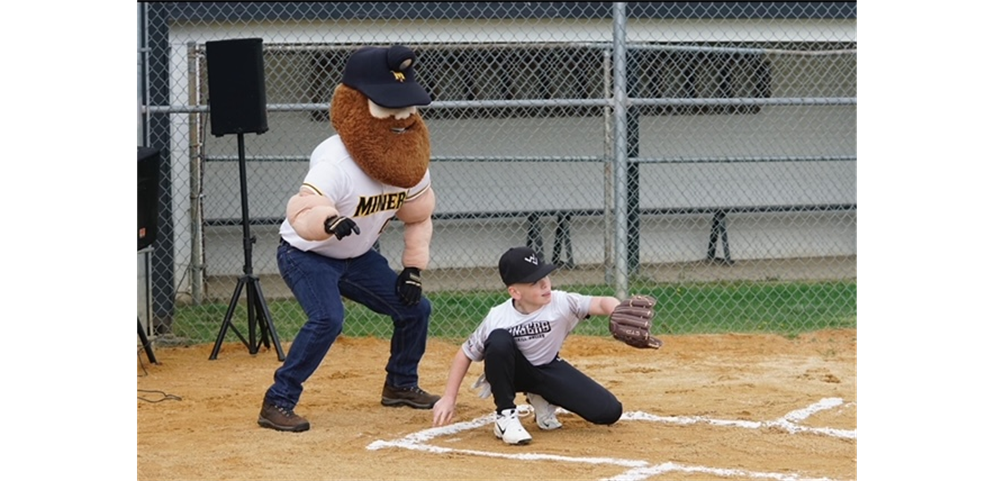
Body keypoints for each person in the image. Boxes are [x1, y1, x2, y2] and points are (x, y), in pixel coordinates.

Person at [258, 45, 440, 433]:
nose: (401, 118)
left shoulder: (409, 158)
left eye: (406, 107)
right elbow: (303, 206)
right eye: (388, 106)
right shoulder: (335, 159)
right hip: (308, 254)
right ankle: (278, 401)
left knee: (415, 308)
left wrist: (412, 268)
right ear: (355, 104)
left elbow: (419, 215)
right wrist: (328, 222)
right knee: (327, 319)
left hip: (357, 257)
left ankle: (400, 385)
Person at [432, 246, 626, 445]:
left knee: (609, 411)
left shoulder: (561, 302)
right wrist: (449, 397)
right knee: (499, 339)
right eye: (535, 282)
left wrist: (618, 310)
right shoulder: (498, 316)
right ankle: (505, 416)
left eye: (545, 276)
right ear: (515, 292)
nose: (545, 284)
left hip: (547, 369)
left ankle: (541, 396)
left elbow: (602, 302)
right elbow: (465, 353)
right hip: (510, 373)